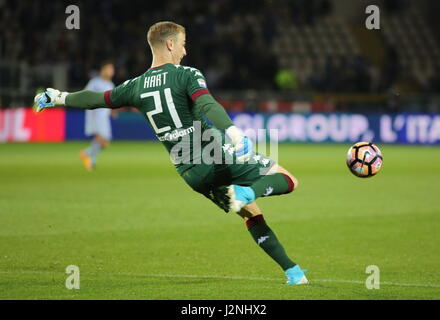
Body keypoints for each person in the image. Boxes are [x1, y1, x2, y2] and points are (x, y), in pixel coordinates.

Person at [33, 21, 308, 285]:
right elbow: (209, 104)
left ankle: (294, 273)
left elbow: (97, 100)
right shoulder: (187, 75)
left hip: (190, 173)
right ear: (169, 44)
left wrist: (59, 97)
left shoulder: (135, 86)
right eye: (183, 44)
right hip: (215, 153)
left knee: (251, 214)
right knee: (287, 179)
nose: (185, 51)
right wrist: (233, 132)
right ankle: (249, 191)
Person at [80, 61, 115, 171]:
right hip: (95, 115)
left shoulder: (111, 85)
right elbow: (85, 95)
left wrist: (112, 111)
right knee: (102, 139)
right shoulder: (94, 83)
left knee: (104, 142)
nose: (111, 72)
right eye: (109, 69)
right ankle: (89, 158)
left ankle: (88, 156)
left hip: (104, 117)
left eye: (112, 70)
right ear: (103, 70)